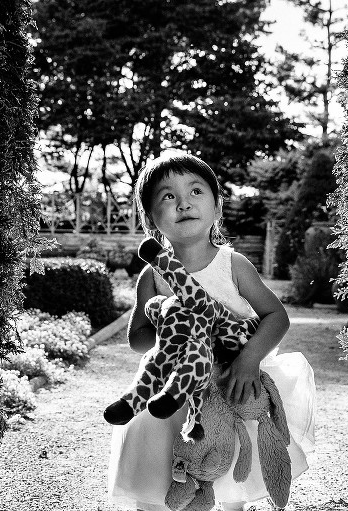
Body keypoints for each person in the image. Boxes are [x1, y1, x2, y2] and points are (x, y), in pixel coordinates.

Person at [107, 152, 316, 511]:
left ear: (217, 207)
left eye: (195, 191)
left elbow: (276, 316)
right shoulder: (152, 275)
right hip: (170, 395)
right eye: (167, 196)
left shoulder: (232, 263)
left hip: (229, 384)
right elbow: (137, 338)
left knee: (227, 483)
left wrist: (249, 361)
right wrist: (172, 333)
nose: (183, 203)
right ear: (150, 217)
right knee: (158, 486)